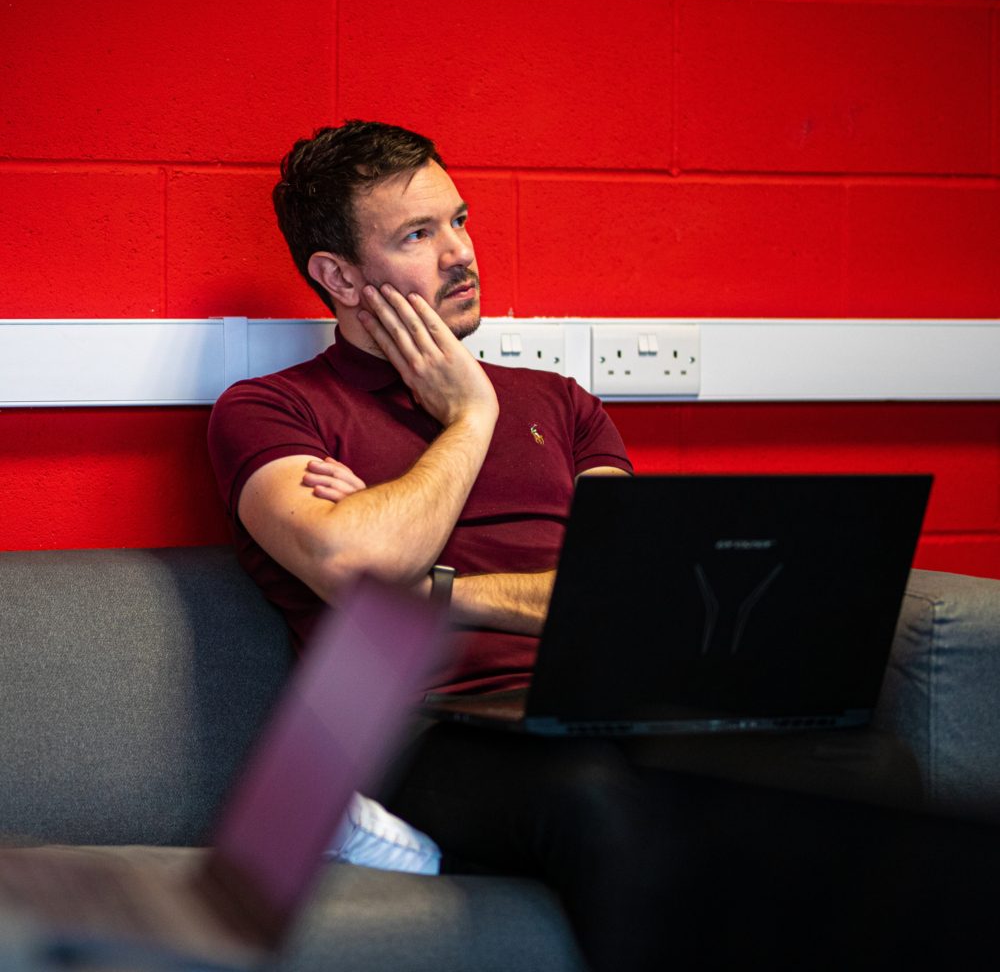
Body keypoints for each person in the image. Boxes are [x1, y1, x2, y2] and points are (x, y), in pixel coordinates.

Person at [207, 121, 948, 970]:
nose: (460, 253)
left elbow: (629, 593)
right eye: (418, 235)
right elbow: (353, 567)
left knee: (865, 766)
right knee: (597, 799)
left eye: (460, 219)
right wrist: (470, 415)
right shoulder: (271, 410)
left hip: (594, 711)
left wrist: (433, 590)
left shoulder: (561, 405)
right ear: (336, 275)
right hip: (416, 734)